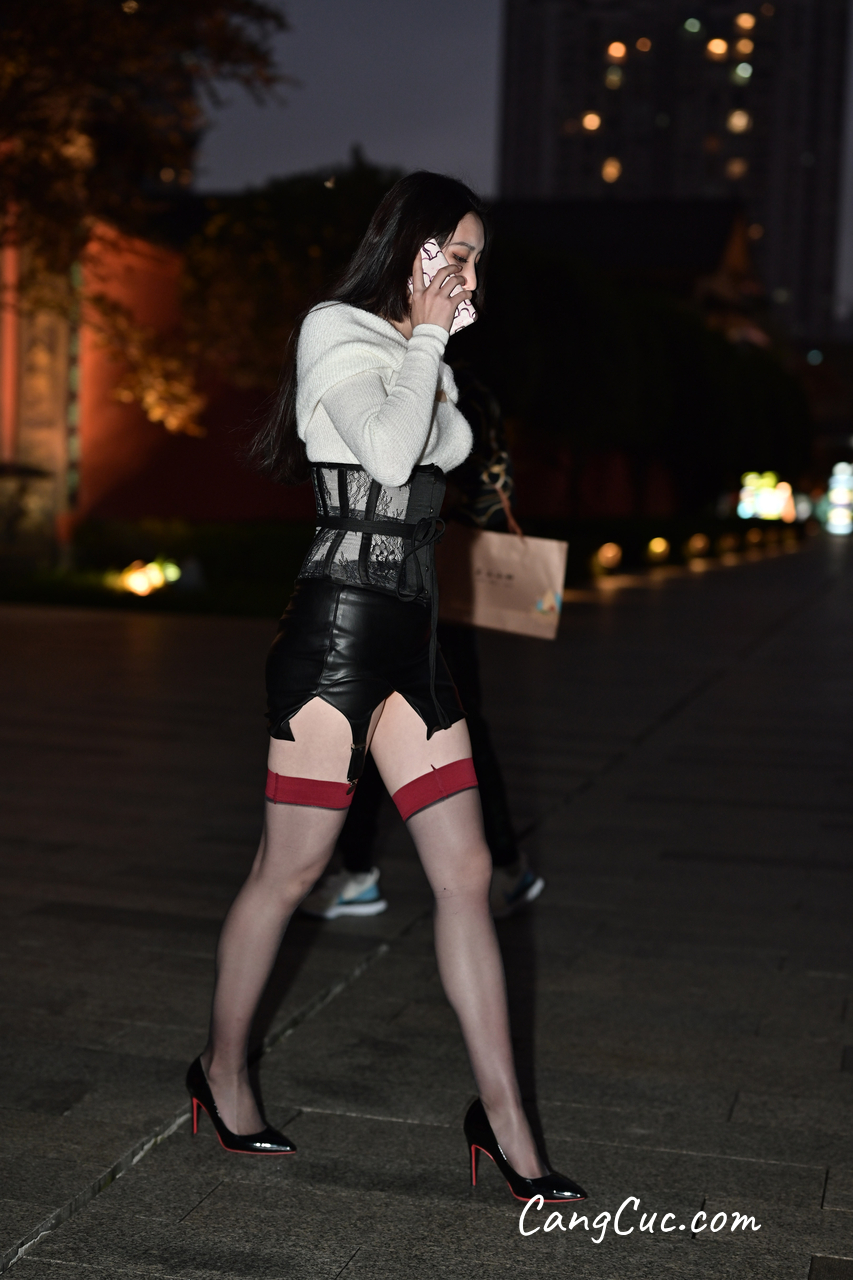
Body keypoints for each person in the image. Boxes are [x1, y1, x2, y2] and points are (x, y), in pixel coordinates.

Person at [185, 172, 586, 1205]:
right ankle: (221, 1072)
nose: (470, 277)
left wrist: (431, 342)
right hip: (333, 643)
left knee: (467, 872)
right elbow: (394, 450)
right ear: (413, 248)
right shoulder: (334, 329)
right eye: (458, 255)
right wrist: (425, 337)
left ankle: (507, 1125)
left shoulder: (416, 352)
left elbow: (450, 445)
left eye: (478, 261)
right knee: (288, 872)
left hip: (414, 648)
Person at [301, 364, 546, 921]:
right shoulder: (463, 384)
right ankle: (493, 867)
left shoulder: (434, 381)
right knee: (414, 719)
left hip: (420, 574)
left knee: (427, 719)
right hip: (420, 577)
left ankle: (490, 866)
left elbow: (436, 477)